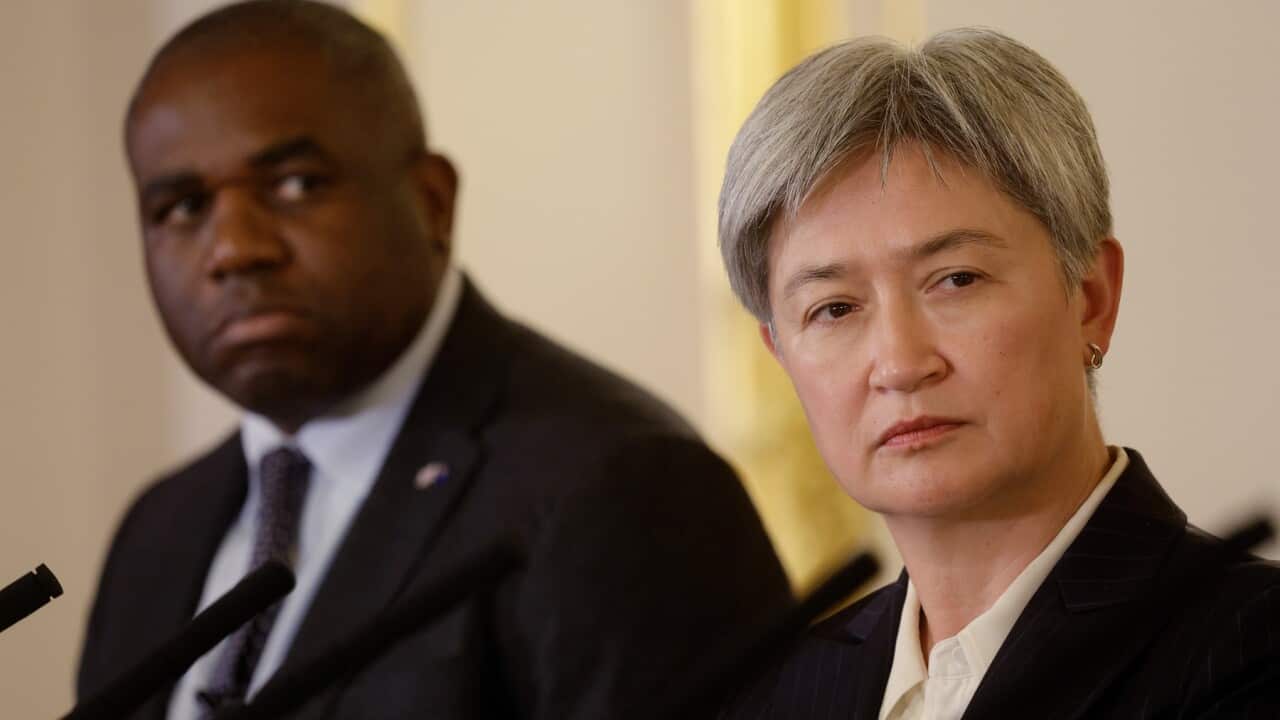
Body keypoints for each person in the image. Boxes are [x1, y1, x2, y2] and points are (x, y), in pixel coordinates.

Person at [76, 2, 793, 718]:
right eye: (181, 207)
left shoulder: (623, 489)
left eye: (296, 184)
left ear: (432, 202)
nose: (233, 248)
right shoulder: (157, 534)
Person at [716, 27, 1280, 719]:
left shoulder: (1251, 651)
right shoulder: (777, 693)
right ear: (781, 358)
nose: (899, 363)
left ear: (1091, 299)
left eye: (956, 279)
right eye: (833, 309)